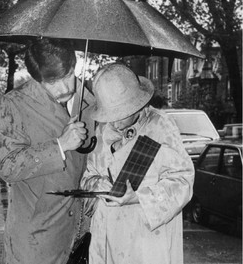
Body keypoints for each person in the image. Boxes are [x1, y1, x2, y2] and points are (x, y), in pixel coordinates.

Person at [80, 63, 194, 264]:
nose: (113, 123)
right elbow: (88, 179)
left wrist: (139, 198)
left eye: (118, 115)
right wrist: (99, 186)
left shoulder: (160, 127)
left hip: (145, 243)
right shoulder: (103, 130)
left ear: (136, 104)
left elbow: (183, 182)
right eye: (108, 115)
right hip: (106, 241)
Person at [0, 37, 95, 264]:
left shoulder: (90, 100)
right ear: (36, 78)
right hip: (35, 241)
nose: (65, 88)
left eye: (68, 76)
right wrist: (60, 145)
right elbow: (7, 167)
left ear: (75, 64)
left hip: (79, 234)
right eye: (53, 82)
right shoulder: (14, 104)